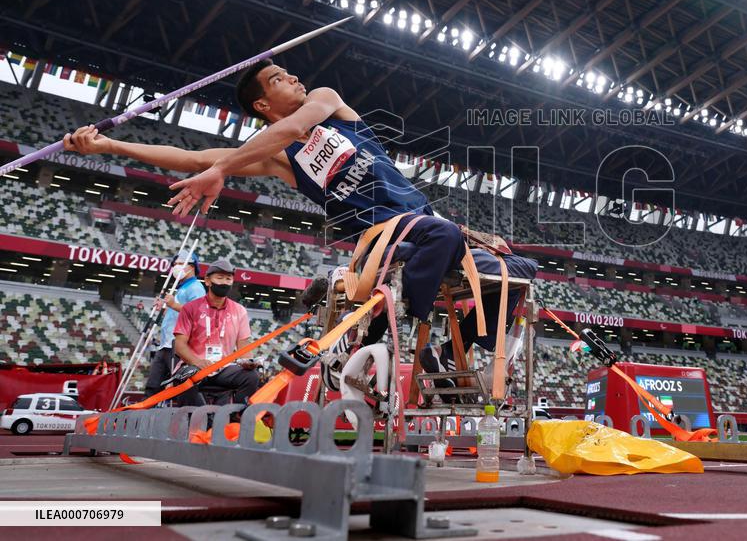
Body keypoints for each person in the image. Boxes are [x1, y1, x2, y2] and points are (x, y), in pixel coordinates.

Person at [62, 61, 516, 369]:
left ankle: (461, 352)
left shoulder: (327, 100)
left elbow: (295, 126)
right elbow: (191, 157)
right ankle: (413, 340)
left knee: (518, 270)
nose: (294, 77)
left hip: (425, 227)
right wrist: (108, 145)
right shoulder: (279, 158)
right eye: (279, 78)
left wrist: (222, 169)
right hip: (381, 240)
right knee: (441, 236)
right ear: (262, 104)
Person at [171, 258, 259, 406]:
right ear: (207, 281)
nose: (224, 282)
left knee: (251, 377)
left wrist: (248, 362)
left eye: (228, 278)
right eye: (219, 278)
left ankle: (235, 417)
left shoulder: (239, 311)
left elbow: (244, 344)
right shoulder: (190, 309)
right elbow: (180, 346)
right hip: (194, 367)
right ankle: (202, 420)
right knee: (184, 378)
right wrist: (198, 362)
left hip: (224, 368)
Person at [144, 252, 205, 399]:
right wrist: (165, 307)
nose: (175, 267)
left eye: (180, 264)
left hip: (179, 345)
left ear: (191, 267)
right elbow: (176, 314)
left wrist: (173, 304)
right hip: (166, 344)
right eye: (175, 264)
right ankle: (146, 416)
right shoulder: (181, 288)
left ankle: (199, 417)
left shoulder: (195, 288)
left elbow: (197, 314)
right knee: (153, 384)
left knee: (184, 388)